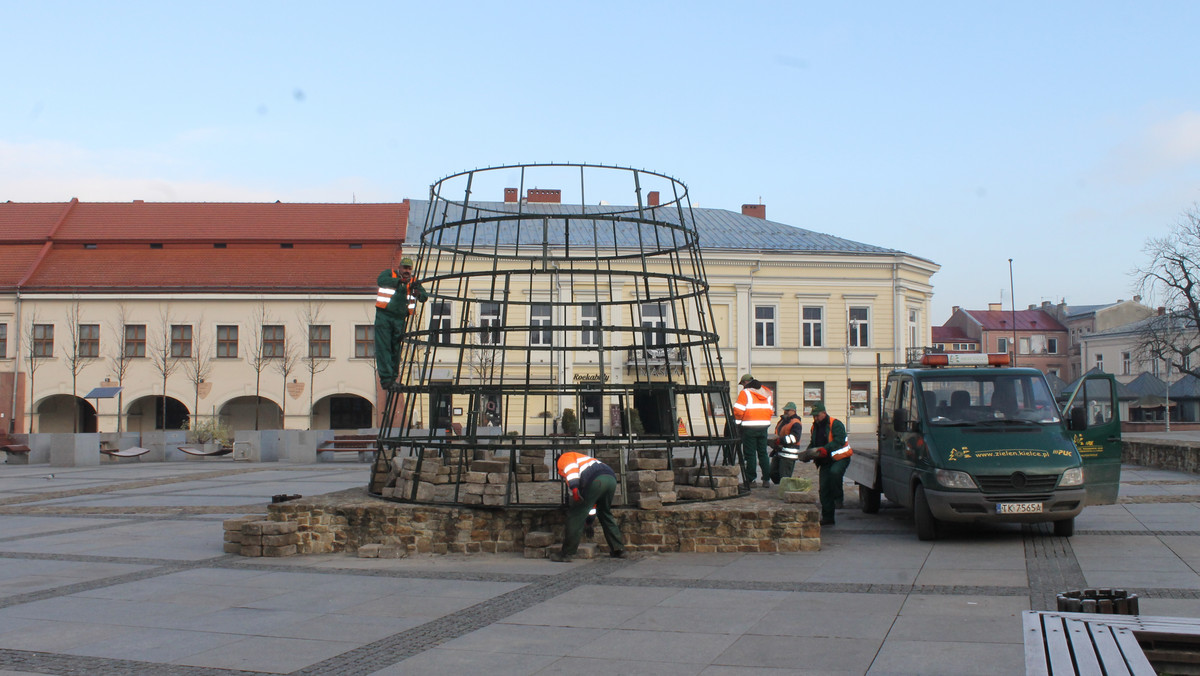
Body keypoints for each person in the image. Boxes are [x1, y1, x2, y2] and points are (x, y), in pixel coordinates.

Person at [550, 451, 627, 562]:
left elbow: (571, 470)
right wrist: (589, 521)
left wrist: (575, 489)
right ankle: (619, 549)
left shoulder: (564, 457)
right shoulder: (584, 459)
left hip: (596, 480)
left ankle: (566, 554)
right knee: (605, 513)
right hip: (610, 479)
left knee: (575, 516)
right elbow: (592, 504)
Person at [374, 256, 428, 390]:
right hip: (384, 317)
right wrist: (399, 281)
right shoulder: (389, 274)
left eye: (409, 269)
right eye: (404, 268)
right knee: (384, 348)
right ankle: (386, 379)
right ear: (399, 268)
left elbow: (424, 296)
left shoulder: (413, 282)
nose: (407, 271)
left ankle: (393, 379)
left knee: (396, 350)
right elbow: (381, 281)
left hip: (399, 320)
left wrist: (418, 293)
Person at [797, 401, 853, 526]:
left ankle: (838, 498)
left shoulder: (835, 424)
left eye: (817, 415)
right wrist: (808, 453)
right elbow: (814, 442)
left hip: (840, 458)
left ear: (824, 413)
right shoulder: (814, 426)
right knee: (824, 489)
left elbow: (839, 441)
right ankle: (828, 517)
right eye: (814, 416)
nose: (815, 418)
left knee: (835, 473)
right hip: (825, 461)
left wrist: (825, 449)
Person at [732, 373, 773, 488]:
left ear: (745, 383)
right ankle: (766, 480)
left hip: (749, 427)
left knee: (750, 455)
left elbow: (738, 411)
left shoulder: (745, 393)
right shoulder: (767, 392)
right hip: (764, 426)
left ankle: (751, 480)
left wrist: (738, 425)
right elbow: (770, 410)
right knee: (763, 453)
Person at [770, 402, 804, 484]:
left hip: (789, 454)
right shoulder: (783, 421)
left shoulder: (796, 423)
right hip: (779, 451)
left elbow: (794, 438)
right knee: (773, 473)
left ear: (793, 411)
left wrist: (780, 440)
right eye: (785, 410)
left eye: (787, 410)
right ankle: (781, 487)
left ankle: (785, 490)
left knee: (784, 477)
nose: (785, 412)